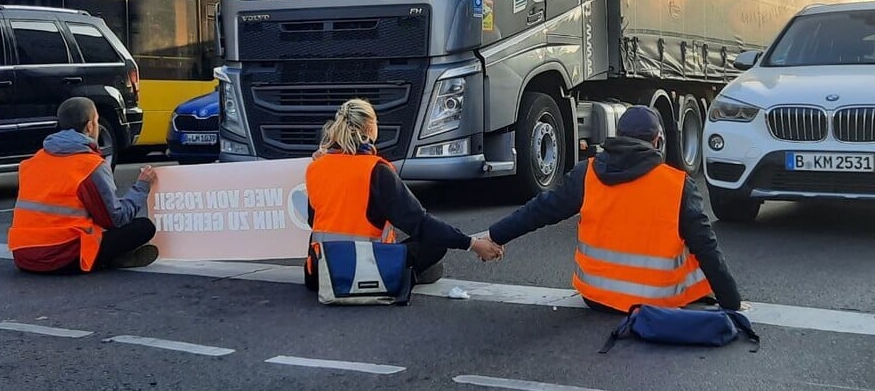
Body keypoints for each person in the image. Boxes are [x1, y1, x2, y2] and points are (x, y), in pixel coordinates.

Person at [485, 105, 742, 313]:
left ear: (618, 135)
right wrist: (731, 302)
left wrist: (494, 236)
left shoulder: (587, 174)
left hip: (598, 298)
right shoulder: (677, 185)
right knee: (690, 240)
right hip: (657, 302)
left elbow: (540, 211)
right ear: (658, 141)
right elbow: (706, 246)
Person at [304, 98, 502, 291]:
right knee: (435, 244)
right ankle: (401, 276)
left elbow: (313, 221)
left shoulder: (316, 167)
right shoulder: (376, 170)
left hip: (320, 273)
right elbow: (420, 223)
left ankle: (409, 272)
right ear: (370, 129)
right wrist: (472, 244)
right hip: (363, 268)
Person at [8, 97, 159, 274]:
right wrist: (141, 186)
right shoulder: (90, 165)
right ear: (89, 126)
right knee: (144, 227)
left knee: (95, 225)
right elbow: (116, 218)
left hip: (23, 256)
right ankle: (111, 258)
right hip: (63, 257)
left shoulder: (32, 162)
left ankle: (114, 258)